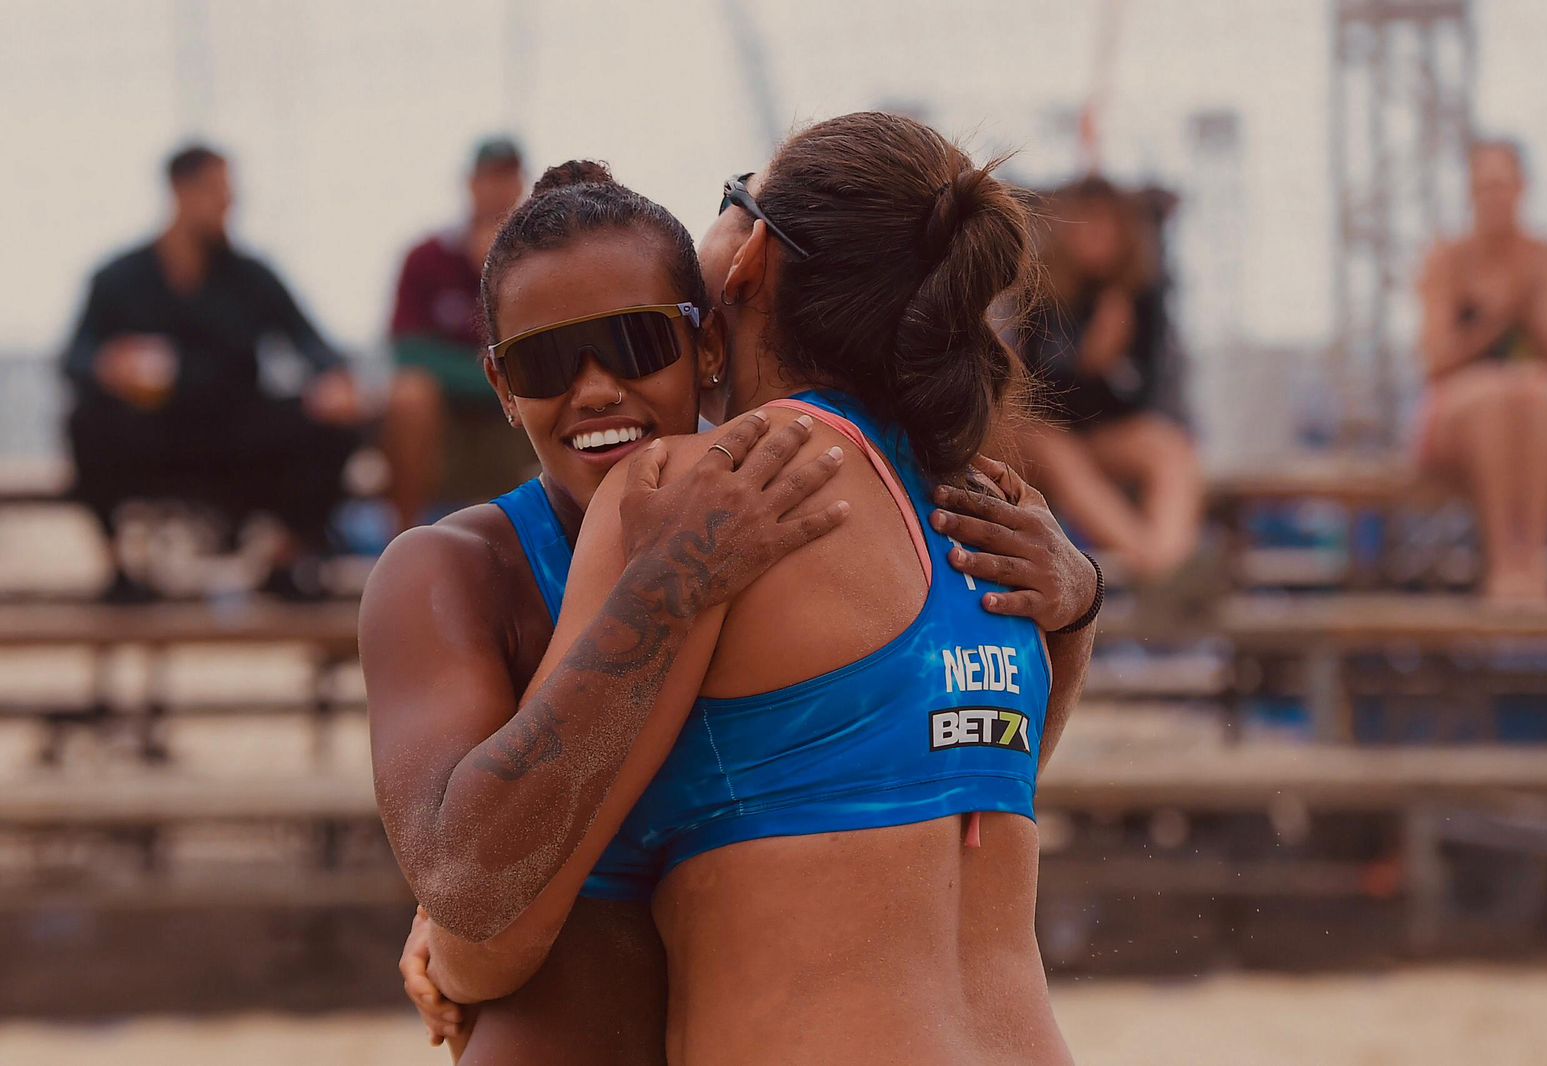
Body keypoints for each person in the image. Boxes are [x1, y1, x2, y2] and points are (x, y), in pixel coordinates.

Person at [397, 114, 1100, 1066]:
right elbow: (930, 789)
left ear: (751, 252)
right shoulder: (984, 499)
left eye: (731, 195)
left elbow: (491, 928)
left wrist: (443, 937)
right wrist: (1082, 616)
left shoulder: (703, 489)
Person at [62, 143, 364, 601]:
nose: (228, 205)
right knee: (84, 419)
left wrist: (335, 381)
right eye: (216, 192)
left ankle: (287, 560)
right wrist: (111, 366)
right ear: (180, 192)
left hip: (235, 430)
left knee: (334, 419)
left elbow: (311, 343)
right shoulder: (119, 277)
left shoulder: (251, 275)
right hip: (153, 437)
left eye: (229, 194)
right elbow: (74, 358)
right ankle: (119, 570)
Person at [1416, 138, 1547, 603]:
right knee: (1494, 395)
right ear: (1470, 193)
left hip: (1533, 409)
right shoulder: (1446, 261)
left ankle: (1532, 561)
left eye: (1502, 185)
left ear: (1522, 188)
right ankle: (1506, 562)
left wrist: (1527, 308)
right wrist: (1498, 318)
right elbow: (1436, 361)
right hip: (1459, 415)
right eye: (1485, 187)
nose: (1495, 197)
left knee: (1529, 394)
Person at [1013, 175, 1202, 583]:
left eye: (1107, 226)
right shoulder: (1041, 292)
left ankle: (1169, 563)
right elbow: (1039, 394)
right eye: (1087, 226)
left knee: (1171, 449)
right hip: (1055, 437)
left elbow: (1146, 394)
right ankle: (1155, 566)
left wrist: (1112, 370)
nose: (1098, 238)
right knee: (1056, 452)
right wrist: (1089, 365)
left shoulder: (1139, 295)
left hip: (1108, 431)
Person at [384, 137, 531, 529]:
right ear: (470, 183)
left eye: (507, 178)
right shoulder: (427, 257)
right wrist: (492, 374)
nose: (497, 189)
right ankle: (402, 540)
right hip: (461, 408)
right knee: (409, 395)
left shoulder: (537, 260)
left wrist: (503, 271)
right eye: (489, 178)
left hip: (521, 401)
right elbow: (407, 353)